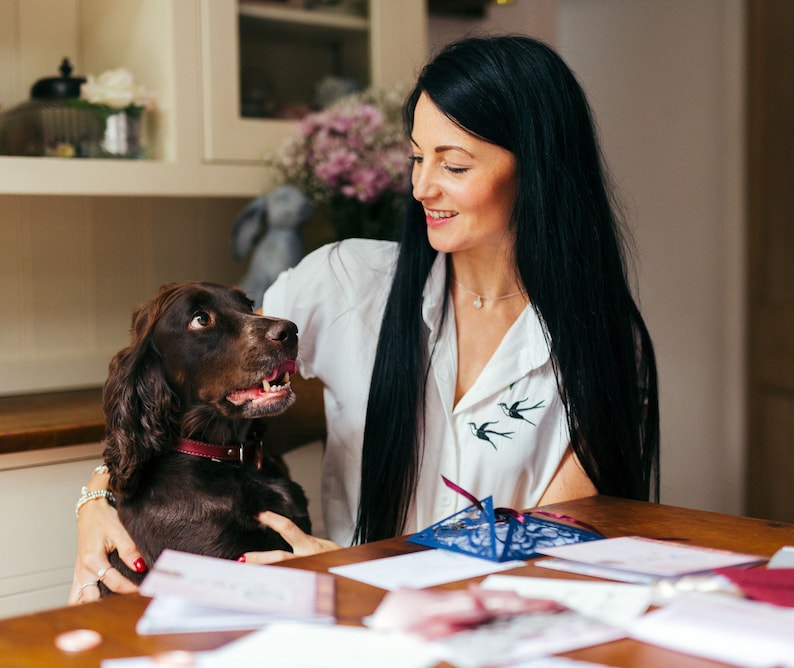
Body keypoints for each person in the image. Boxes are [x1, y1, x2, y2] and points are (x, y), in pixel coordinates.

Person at [69, 34, 659, 603]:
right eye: (416, 157)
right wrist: (97, 497)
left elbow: (555, 556)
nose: (422, 186)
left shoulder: (599, 340)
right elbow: (201, 390)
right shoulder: (347, 281)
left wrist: (349, 576)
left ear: (539, 169)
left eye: (453, 166)